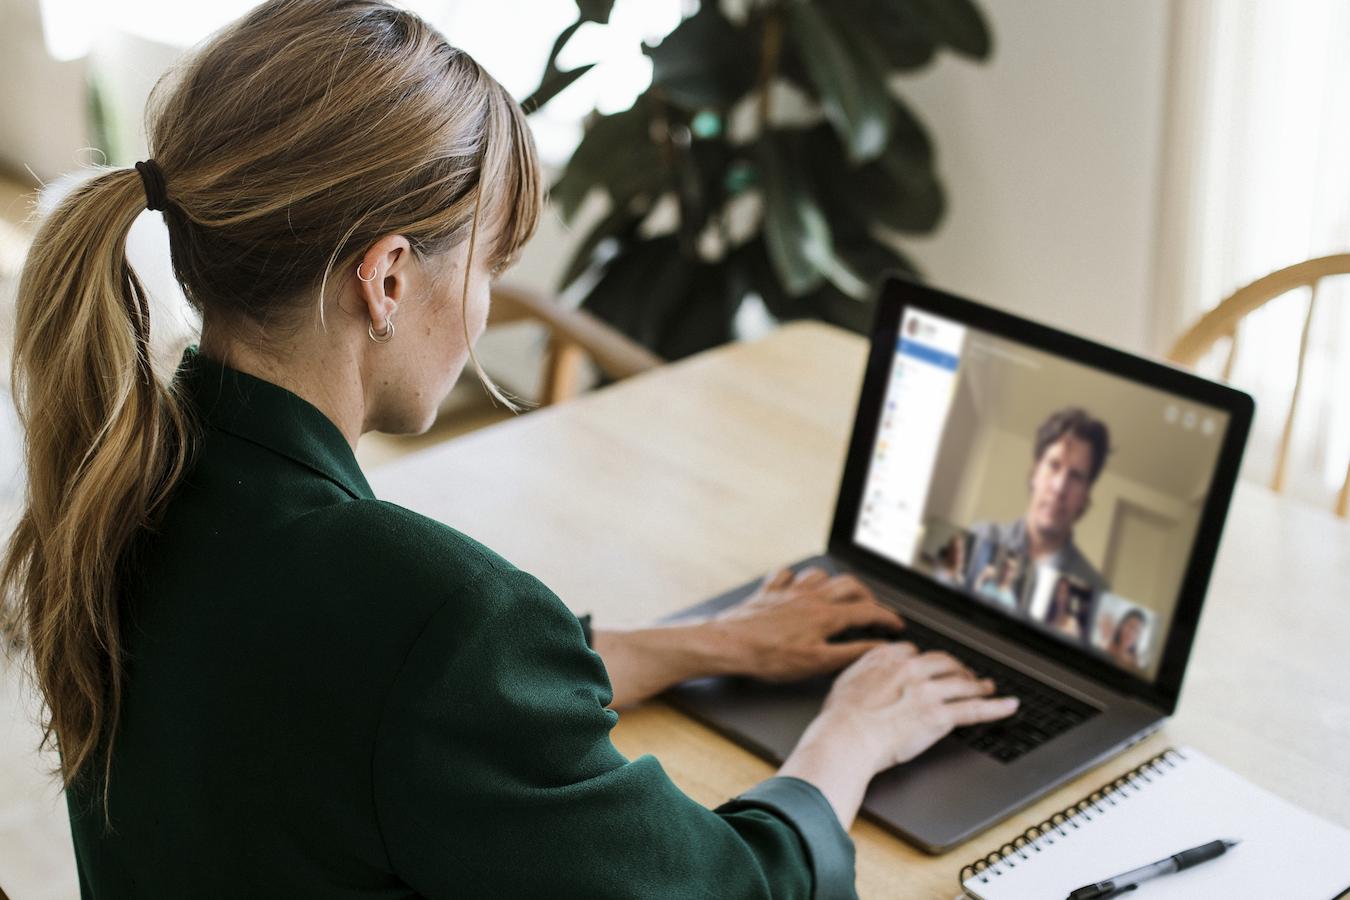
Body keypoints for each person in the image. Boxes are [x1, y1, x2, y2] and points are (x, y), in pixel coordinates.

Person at [0, 3, 1018, 898]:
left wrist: (711, 645)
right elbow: (728, 888)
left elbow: (391, 709)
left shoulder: (124, 478)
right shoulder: (433, 613)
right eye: (487, 264)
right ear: (387, 279)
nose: (484, 312)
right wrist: (852, 737)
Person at [964, 407, 1113, 610]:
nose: (1060, 487)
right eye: (1054, 465)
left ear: (1086, 494)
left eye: (1076, 476)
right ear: (1035, 472)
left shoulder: (1096, 591)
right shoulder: (980, 538)